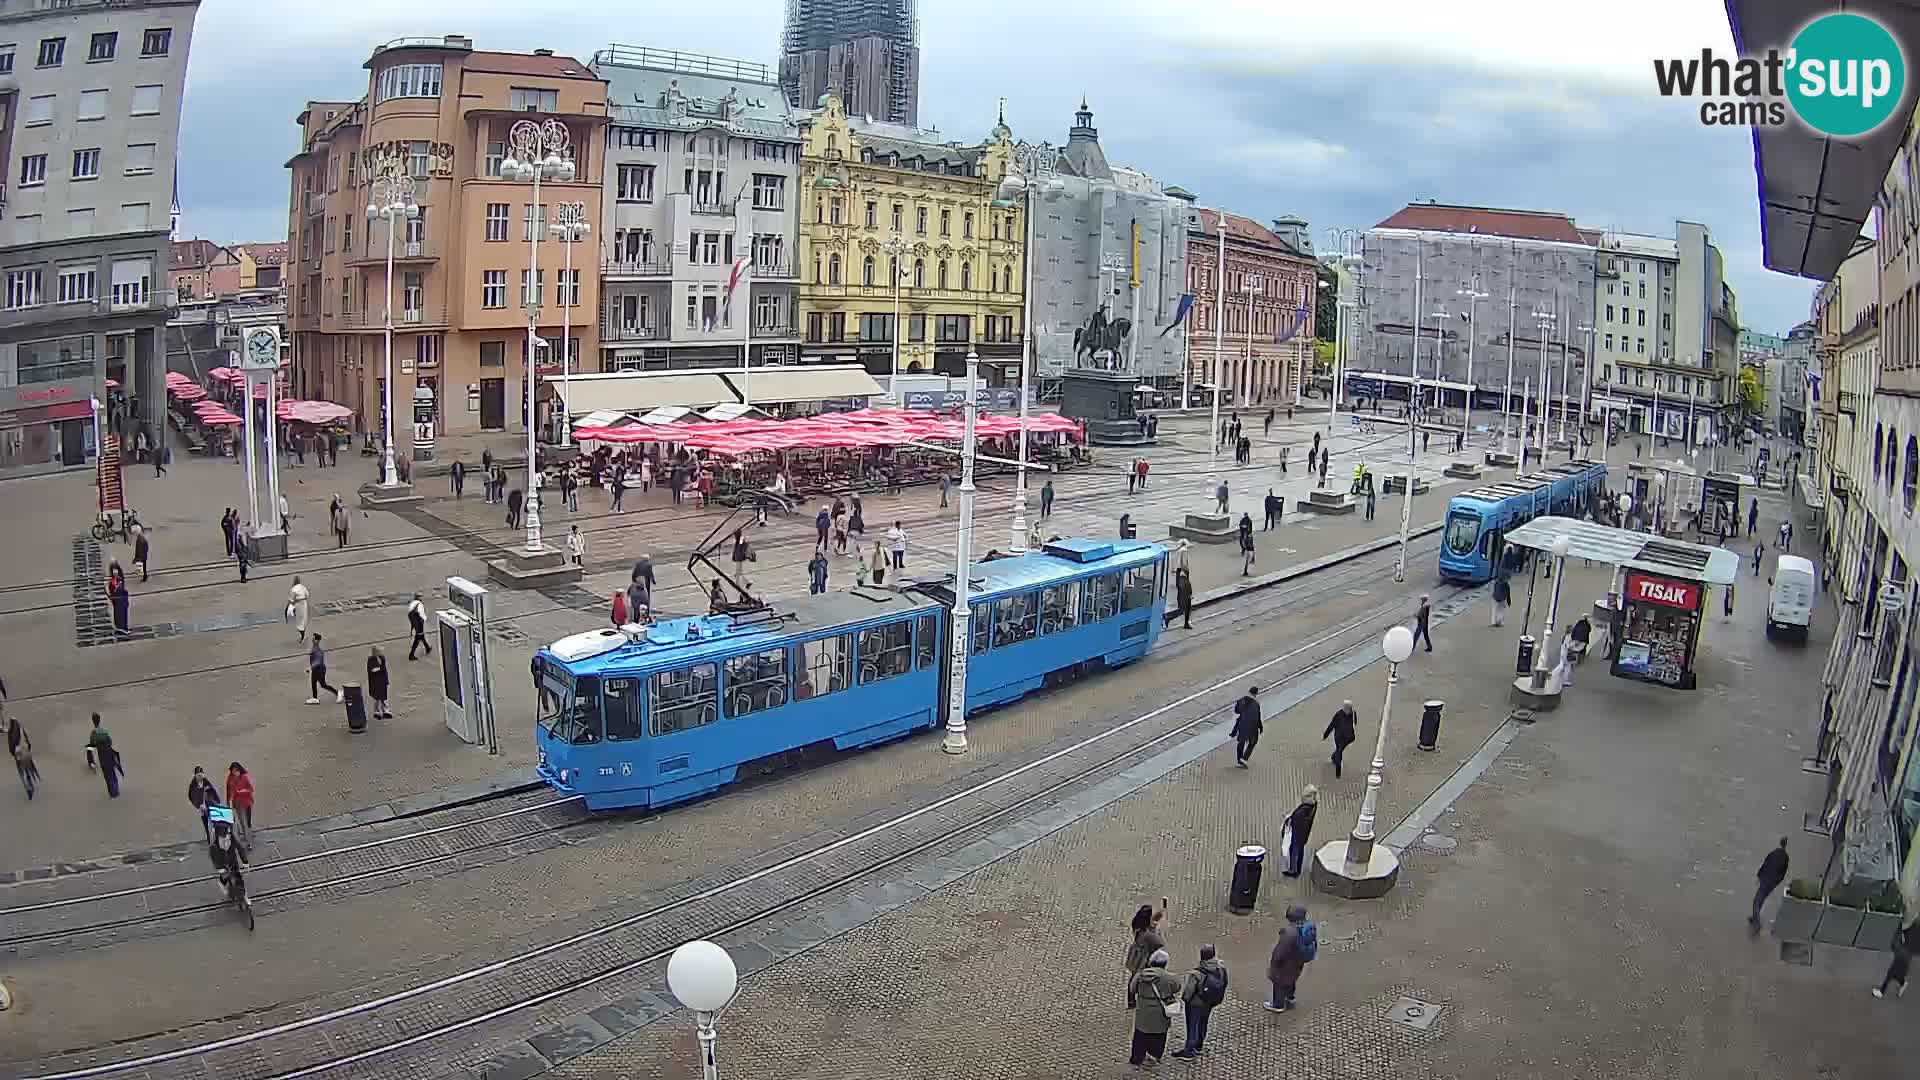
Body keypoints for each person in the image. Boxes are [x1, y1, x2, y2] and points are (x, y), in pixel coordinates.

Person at [1171, 944, 1228, 1059]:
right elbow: (1225, 983)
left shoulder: (1196, 974)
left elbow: (1188, 993)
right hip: (1209, 1003)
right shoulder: (1221, 969)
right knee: (1203, 1023)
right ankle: (1198, 1046)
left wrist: (1185, 1000)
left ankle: (1188, 1051)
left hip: (1195, 1004)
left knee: (1192, 1026)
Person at [1129, 950, 1183, 1067]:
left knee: (1140, 1035)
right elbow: (1177, 988)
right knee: (1159, 1035)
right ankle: (1154, 1055)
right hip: (1160, 1012)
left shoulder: (1140, 975)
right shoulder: (1170, 978)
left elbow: (1132, 989)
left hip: (1143, 1010)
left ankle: (1137, 1058)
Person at [1265, 904, 1314, 1011]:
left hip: (1285, 966)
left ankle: (1278, 1005)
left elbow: (1280, 952)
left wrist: (1274, 964)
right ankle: (1290, 998)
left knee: (1279, 985)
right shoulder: (1306, 928)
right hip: (1297, 964)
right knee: (1291, 981)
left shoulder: (1289, 933)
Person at [1124, 898, 1168, 1007]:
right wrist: (1158, 931)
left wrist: (1163, 909)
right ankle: (1136, 996)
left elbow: (1155, 918)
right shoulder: (1148, 935)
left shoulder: (1138, 925)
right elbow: (1160, 943)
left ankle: (1130, 999)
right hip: (1143, 958)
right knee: (1138, 976)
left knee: (1134, 976)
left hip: (1136, 955)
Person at [1750, 836, 1790, 928]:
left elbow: (1765, 864)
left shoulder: (1774, 853)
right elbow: (1783, 873)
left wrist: (1759, 876)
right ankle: (1755, 917)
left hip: (1766, 879)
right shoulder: (1786, 857)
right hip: (1773, 882)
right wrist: (1777, 882)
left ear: (1780, 842)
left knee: (1757, 900)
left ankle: (1757, 922)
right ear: (1786, 844)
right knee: (1762, 899)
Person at [1873, 921, 1916, 998]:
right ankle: (1902, 983)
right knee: (1897, 972)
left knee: (1892, 971)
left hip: (1905, 950)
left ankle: (1881, 991)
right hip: (1904, 949)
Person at [1283, 785, 1319, 877]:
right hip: (1303, 833)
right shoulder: (1313, 805)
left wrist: (1289, 819)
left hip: (1298, 833)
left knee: (1294, 850)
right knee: (1300, 849)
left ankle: (1293, 870)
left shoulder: (1304, 809)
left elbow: (1297, 819)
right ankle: (1297, 869)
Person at [87, 713, 123, 798]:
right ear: (99, 720)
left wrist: (91, 760)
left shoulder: (93, 733)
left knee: (107, 774)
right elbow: (110, 742)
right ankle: (116, 790)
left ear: (93, 721)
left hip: (102, 755)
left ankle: (113, 793)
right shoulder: (105, 731)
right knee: (112, 772)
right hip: (109, 752)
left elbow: (91, 746)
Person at [187, 765, 222, 842]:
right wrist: (198, 805)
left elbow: (213, 791)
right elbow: (191, 795)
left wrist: (217, 801)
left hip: (209, 805)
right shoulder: (193, 784)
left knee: (213, 823)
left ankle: (215, 839)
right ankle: (209, 839)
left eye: (200, 774)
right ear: (195, 775)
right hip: (201, 807)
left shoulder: (206, 781)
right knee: (205, 823)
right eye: (198, 775)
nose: (199, 776)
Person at [1324, 699, 1357, 778]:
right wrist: (1326, 734)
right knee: (1339, 752)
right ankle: (1338, 773)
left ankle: (1333, 757)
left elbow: (1355, 722)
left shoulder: (1353, 714)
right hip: (1339, 738)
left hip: (1348, 738)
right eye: (1345, 707)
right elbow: (1332, 725)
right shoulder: (1338, 715)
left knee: (1340, 750)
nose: (1346, 709)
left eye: (1348, 708)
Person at [1231, 685, 1262, 767]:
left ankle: (1239, 760)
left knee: (1241, 742)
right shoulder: (1256, 704)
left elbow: (1236, 711)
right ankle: (1244, 759)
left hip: (1242, 724)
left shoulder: (1241, 700)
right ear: (1256, 694)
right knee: (1253, 742)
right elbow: (1258, 717)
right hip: (1252, 726)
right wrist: (1260, 727)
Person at [10, 715, 37, 799]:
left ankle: (28, 788)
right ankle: (30, 781)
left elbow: (11, 745)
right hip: (25, 751)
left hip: (18, 753)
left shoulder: (11, 732)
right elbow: (28, 742)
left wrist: (13, 753)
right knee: (28, 768)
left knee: (21, 770)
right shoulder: (22, 729)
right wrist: (28, 749)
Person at [307, 633, 340, 705]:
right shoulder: (314, 648)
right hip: (316, 669)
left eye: (315, 639)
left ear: (318, 641)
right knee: (313, 683)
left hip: (319, 670)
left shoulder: (318, 651)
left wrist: (311, 667)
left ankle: (338, 693)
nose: (313, 640)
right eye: (313, 638)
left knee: (323, 685)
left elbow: (318, 662)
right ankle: (315, 698)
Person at [225, 762, 255, 839]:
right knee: (243, 821)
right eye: (233, 771)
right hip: (238, 803)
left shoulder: (244, 777)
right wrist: (228, 803)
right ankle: (248, 840)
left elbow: (251, 789)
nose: (235, 773)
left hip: (247, 802)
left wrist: (242, 791)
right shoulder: (229, 779)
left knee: (248, 821)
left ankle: (248, 834)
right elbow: (228, 792)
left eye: (236, 770)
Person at [367, 645, 391, 719]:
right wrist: (379, 669)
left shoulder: (382, 658)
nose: (381, 652)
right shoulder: (371, 660)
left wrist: (379, 669)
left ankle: (386, 710)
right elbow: (372, 670)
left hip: (382, 681)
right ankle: (377, 711)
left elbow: (382, 670)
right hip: (376, 682)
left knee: (384, 697)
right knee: (377, 698)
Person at [407, 592, 432, 660]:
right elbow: (422, 615)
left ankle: (427, 648)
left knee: (421, 636)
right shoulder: (419, 604)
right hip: (418, 622)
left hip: (414, 622)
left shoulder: (413, 603)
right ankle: (411, 654)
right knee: (418, 637)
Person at [287, 577, 311, 642]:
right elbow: (307, 595)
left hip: (298, 604)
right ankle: (303, 632)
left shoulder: (293, 589)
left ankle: (302, 635)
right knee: (303, 618)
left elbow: (291, 599)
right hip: (304, 603)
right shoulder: (303, 587)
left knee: (299, 620)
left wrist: (290, 606)